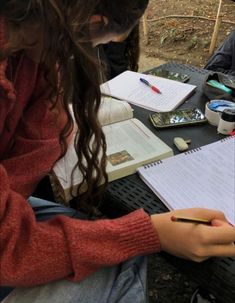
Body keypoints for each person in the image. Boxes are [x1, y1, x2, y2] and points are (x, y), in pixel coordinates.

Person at [0, 1, 235, 302]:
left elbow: (19, 182)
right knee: (120, 254)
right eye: (103, 43)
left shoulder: (32, 46)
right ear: (89, 25)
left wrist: (48, 116)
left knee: (109, 240)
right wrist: (150, 233)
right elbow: (9, 247)